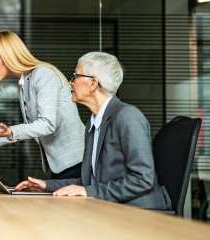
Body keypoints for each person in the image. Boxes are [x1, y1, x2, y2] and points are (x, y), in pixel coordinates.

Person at [15, 52, 171, 210]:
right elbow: (88, 182)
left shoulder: (128, 117)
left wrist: (88, 191)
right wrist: (45, 185)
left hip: (139, 212)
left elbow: (143, 179)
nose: (70, 83)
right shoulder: (93, 122)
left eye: (75, 76)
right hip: (110, 208)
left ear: (93, 83)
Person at [0, 30, 85, 179]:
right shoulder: (24, 83)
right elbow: (34, 128)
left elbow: (47, 124)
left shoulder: (43, 75)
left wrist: (10, 131)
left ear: (8, 54)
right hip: (62, 165)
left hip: (76, 163)